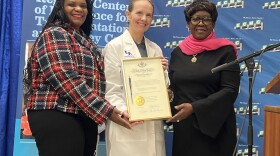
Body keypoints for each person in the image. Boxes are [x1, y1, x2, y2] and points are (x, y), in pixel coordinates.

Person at [23, 0, 132, 155]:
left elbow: (96, 82)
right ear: (61, 7)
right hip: (56, 112)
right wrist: (107, 111)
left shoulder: (83, 39)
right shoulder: (54, 33)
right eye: (72, 4)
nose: (78, 9)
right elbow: (66, 79)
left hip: (82, 114)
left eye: (83, 6)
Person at [166, 0, 241, 156]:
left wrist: (194, 107)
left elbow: (230, 90)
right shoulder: (177, 53)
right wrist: (167, 95)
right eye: (195, 19)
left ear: (213, 23)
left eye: (206, 19)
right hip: (185, 128)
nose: (201, 23)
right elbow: (174, 87)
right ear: (188, 23)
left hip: (215, 128)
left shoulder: (226, 50)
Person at [102, 0, 169, 156]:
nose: (144, 19)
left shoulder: (155, 48)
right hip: (127, 123)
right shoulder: (114, 47)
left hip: (152, 123)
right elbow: (111, 90)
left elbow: (162, 88)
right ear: (128, 14)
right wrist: (126, 112)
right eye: (139, 13)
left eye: (148, 15)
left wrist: (162, 72)